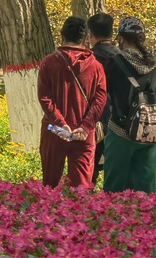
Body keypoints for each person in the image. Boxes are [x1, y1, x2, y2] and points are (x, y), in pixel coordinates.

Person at [38, 16, 107, 187]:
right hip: (83, 134)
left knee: (50, 185)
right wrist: (85, 126)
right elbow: (100, 99)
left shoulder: (48, 63)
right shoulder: (96, 67)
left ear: (62, 37)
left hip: (54, 130)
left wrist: (60, 123)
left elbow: (44, 97)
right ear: (85, 39)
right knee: (81, 189)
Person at [103, 17, 156, 193]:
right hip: (150, 131)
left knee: (114, 188)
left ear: (121, 38)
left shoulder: (115, 62)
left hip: (120, 131)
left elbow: (105, 93)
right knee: (145, 188)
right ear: (143, 38)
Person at [86, 12, 120, 185]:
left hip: (96, 119)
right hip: (121, 120)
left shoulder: (88, 59)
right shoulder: (123, 56)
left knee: (89, 168)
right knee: (116, 169)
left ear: (90, 35)